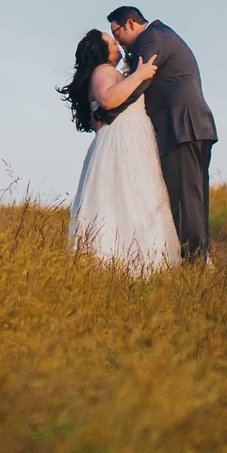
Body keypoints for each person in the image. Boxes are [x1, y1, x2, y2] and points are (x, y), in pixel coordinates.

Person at [58, 28, 181, 272]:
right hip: (123, 138)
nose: (116, 43)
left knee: (136, 196)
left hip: (130, 136)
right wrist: (139, 75)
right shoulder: (103, 71)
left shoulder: (109, 71)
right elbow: (107, 99)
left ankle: (139, 262)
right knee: (129, 197)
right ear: (101, 50)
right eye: (111, 40)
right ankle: (135, 263)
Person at [106, 7, 216, 261]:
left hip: (180, 127)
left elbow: (140, 81)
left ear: (131, 24)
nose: (118, 41)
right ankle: (199, 263)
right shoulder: (162, 34)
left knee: (186, 201)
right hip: (193, 125)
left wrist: (107, 113)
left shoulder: (151, 38)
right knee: (195, 200)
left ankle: (194, 267)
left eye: (117, 32)